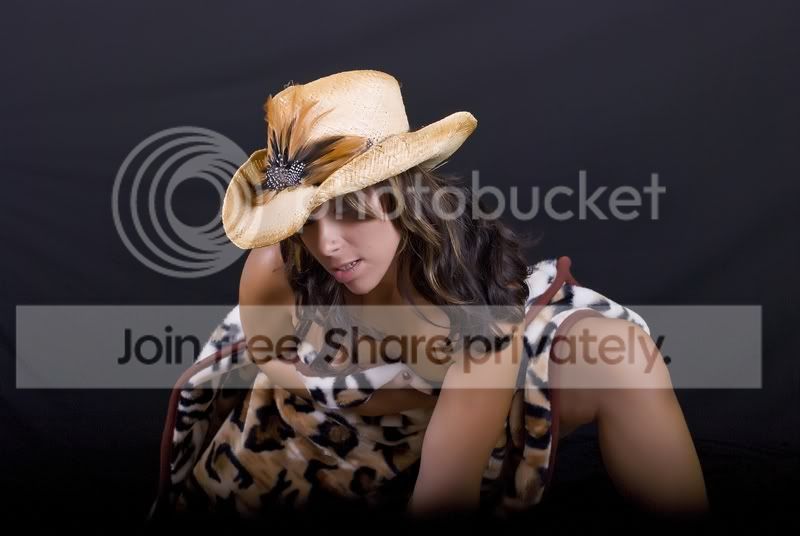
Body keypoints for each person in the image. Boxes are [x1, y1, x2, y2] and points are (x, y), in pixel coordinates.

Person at [150, 70, 709, 522]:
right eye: (307, 220)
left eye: (349, 210)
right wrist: (329, 388)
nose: (329, 245)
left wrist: (416, 393)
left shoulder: (476, 309)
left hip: (465, 415)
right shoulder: (278, 266)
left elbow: (446, 491)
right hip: (314, 429)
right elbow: (266, 354)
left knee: (623, 357)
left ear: (405, 196)